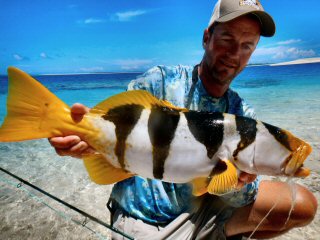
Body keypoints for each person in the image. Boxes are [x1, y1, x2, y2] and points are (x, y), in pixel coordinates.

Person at [50, 0, 317, 239]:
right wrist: (83, 141)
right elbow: (118, 134)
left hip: (204, 212)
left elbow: (242, 197)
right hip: (146, 222)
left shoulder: (241, 110)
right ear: (206, 38)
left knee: (302, 204)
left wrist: (240, 182)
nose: (235, 53)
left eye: (247, 46)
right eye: (227, 39)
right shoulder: (160, 81)